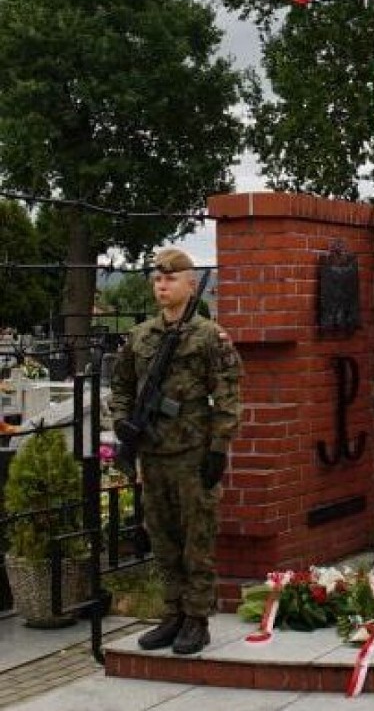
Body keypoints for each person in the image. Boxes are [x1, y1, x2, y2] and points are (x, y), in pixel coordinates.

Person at [109, 247, 242, 655]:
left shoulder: (208, 336)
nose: (161, 285)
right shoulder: (141, 336)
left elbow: (229, 393)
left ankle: (196, 619)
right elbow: (122, 387)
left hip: (192, 453)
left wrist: (219, 448)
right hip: (152, 453)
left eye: (170, 278)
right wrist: (122, 424)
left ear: (190, 283)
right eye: (156, 279)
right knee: (162, 538)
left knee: (196, 540)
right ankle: (172, 614)